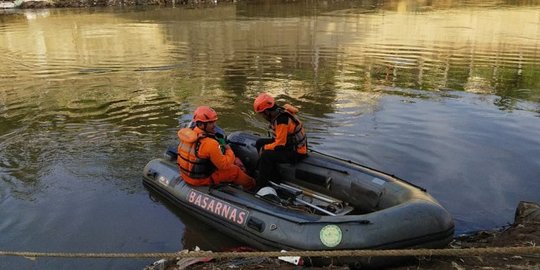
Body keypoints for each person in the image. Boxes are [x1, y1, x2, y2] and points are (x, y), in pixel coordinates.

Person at [177, 106, 255, 190]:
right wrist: (228, 149)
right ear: (201, 124)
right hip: (200, 180)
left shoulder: (186, 135)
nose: (214, 125)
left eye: (214, 122)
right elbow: (225, 165)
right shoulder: (210, 143)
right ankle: (252, 186)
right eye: (210, 123)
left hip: (185, 175)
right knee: (235, 170)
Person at [253, 93, 308, 188]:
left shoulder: (281, 120)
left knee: (266, 155)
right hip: (289, 145)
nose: (262, 117)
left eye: (262, 114)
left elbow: (280, 145)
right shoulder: (281, 111)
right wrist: (264, 146)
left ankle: (261, 186)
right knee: (259, 143)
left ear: (267, 112)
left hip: (296, 152)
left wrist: (265, 148)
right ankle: (274, 176)